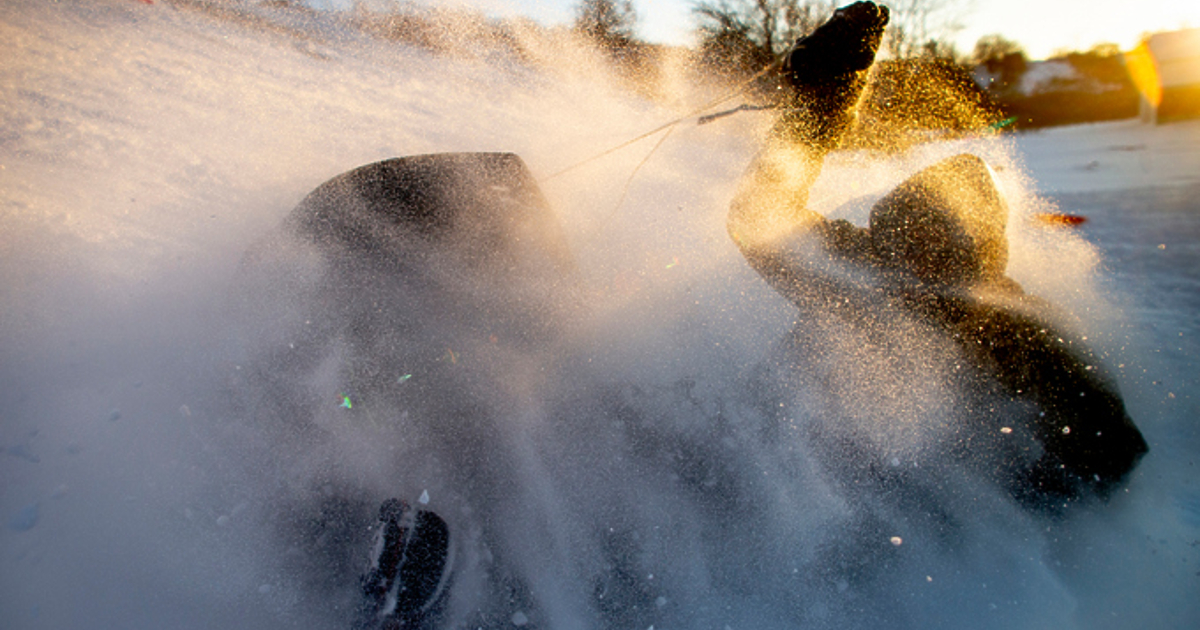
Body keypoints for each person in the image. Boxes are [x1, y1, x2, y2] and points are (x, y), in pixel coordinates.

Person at [727, 1, 1147, 510]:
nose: (918, 263)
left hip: (898, 520)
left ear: (978, 255)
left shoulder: (1023, 333)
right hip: (772, 465)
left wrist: (1019, 495)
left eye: (941, 246)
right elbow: (761, 215)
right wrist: (823, 102)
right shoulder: (859, 268)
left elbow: (1114, 451)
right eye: (907, 239)